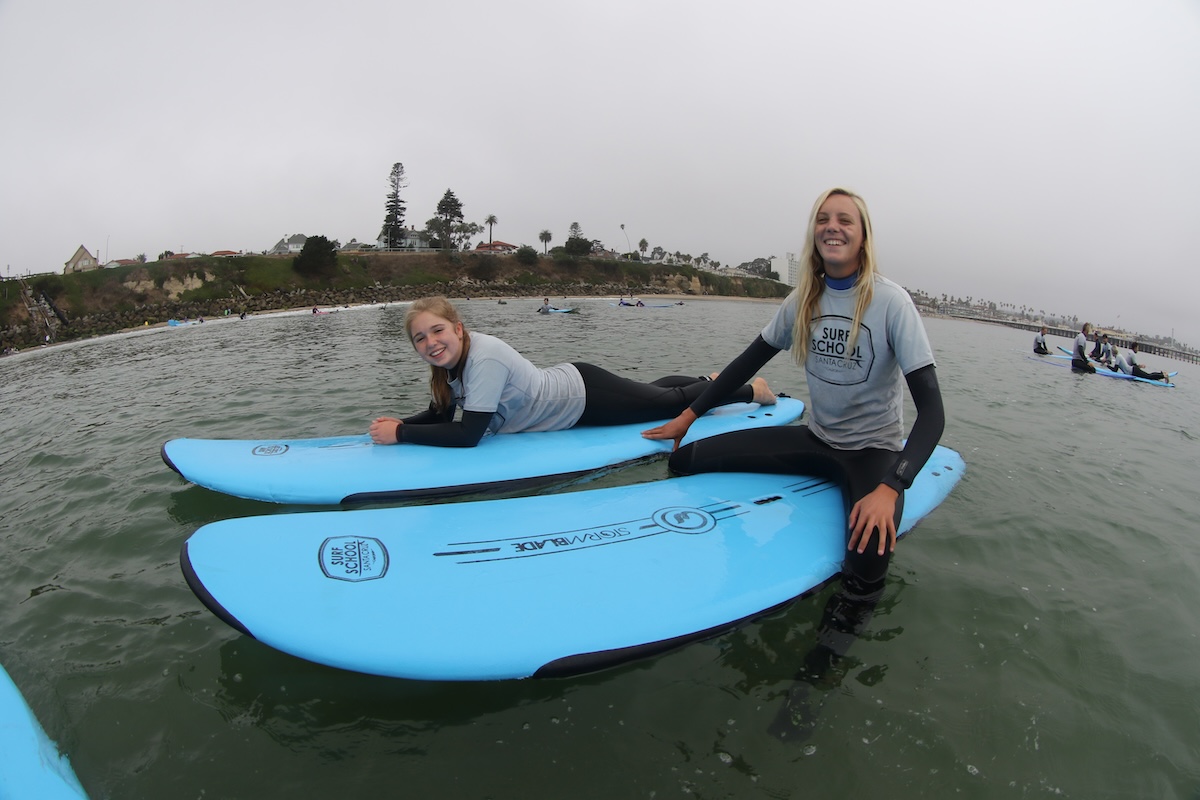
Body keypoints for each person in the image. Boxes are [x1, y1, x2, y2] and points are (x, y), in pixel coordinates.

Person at [643, 187, 945, 738]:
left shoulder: (890, 302)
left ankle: (809, 690)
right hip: (816, 439)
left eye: (845, 220)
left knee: (866, 572)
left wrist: (891, 487)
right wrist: (688, 417)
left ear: (863, 234)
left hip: (873, 456)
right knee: (687, 461)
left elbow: (933, 413)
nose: (832, 227)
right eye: (823, 220)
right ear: (814, 233)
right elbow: (743, 366)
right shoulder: (802, 298)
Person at [368, 296, 776, 448]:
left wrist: (401, 435)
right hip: (574, 384)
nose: (430, 343)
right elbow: (442, 415)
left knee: (667, 403)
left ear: (458, 329)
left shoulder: (484, 358)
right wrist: (400, 422)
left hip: (583, 400)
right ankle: (706, 381)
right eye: (420, 338)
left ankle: (749, 391)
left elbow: (468, 434)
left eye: (437, 331)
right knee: (651, 392)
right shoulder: (451, 368)